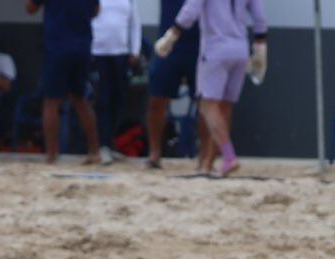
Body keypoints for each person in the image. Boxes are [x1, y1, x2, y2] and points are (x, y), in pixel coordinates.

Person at [155, 0, 266, 177]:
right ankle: (209, 162)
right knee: (226, 107)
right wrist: (260, 48)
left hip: (216, 48)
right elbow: (260, 18)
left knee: (207, 105)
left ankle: (229, 156)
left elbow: (190, 11)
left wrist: (171, 36)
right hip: (240, 49)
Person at [27, 0, 100, 164]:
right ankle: (94, 150)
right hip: (82, 46)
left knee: (51, 102)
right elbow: (96, 11)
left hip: (57, 46)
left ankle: (52, 155)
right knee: (80, 100)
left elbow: (30, 8)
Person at [145, 0, 204, 170]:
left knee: (205, 104)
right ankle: (154, 154)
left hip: (200, 44)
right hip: (169, 42)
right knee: (156, 100)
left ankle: (204, 156)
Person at [90, 0, 140, 165]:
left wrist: (135, 49)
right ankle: (102, 145)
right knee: (103, 100)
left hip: (121, 52)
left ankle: (109, 143)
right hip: (98, 51)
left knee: (118, 99)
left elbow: (134, 22)